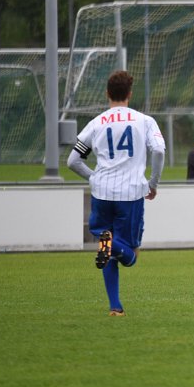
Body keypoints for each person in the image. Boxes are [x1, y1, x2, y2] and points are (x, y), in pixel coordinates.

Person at [67, 70, 166, 316]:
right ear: (130, 94)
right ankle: (110, 248)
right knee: (131, 256)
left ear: (107, 93)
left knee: (106, 244)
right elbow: (159, 151)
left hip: (102, 194)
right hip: (130, 194)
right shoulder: (144, 121)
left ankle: (115, 307)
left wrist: (94, 177)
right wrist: (153, 183)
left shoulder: (96, 123)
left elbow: (72, 161)